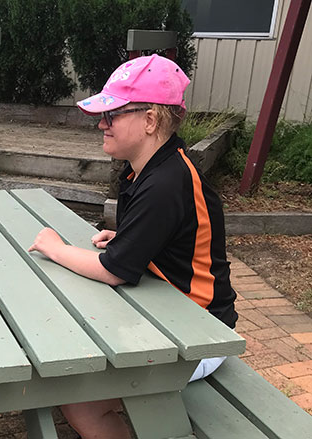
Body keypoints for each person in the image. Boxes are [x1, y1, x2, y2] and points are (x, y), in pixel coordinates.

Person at [28, 54, 238, 439]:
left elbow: (113, 271)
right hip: (170, 314)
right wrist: (129, 241)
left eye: (113, 114)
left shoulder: (164, 184)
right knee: (74, 359)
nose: (101, 124)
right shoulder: (149, 169)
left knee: (80, 399)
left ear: (151, 120)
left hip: (201, 335)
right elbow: (165, 239)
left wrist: (54, 247)